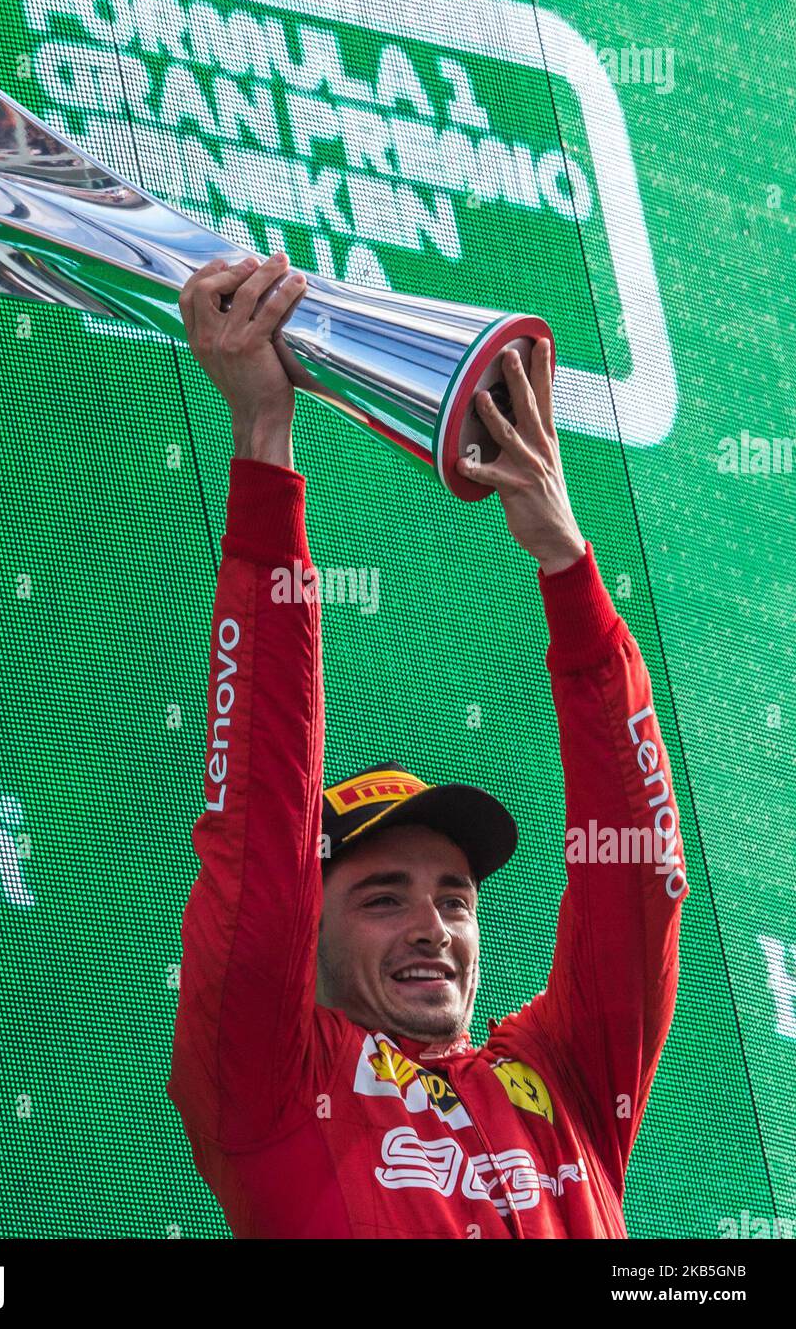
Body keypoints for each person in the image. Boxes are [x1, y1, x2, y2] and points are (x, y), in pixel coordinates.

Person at [166, 251, 689, 1239]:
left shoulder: (566, 1077)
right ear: (307, 937)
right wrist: (262, 438)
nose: (432, 925)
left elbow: (641, 878)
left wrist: (564, 559)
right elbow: (261, 841)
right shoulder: (271, 1089)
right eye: (380, 894)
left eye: (454, 897)